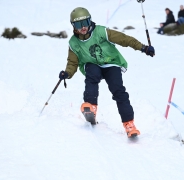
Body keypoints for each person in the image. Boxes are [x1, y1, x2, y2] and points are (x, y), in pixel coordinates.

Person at [59, 7, 155, 138]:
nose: (83, 27)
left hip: (111, 63)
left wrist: (143, 47)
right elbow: (72, 63)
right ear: (73, 26)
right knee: (91, 74)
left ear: (90, 20)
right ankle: (91, 107)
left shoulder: (101, 32)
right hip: (92, 64)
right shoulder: (73, 42)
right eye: (78, 24)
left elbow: (124, 39)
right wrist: (67, 73)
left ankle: (129, 124)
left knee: (118, 90)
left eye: (85, 23)